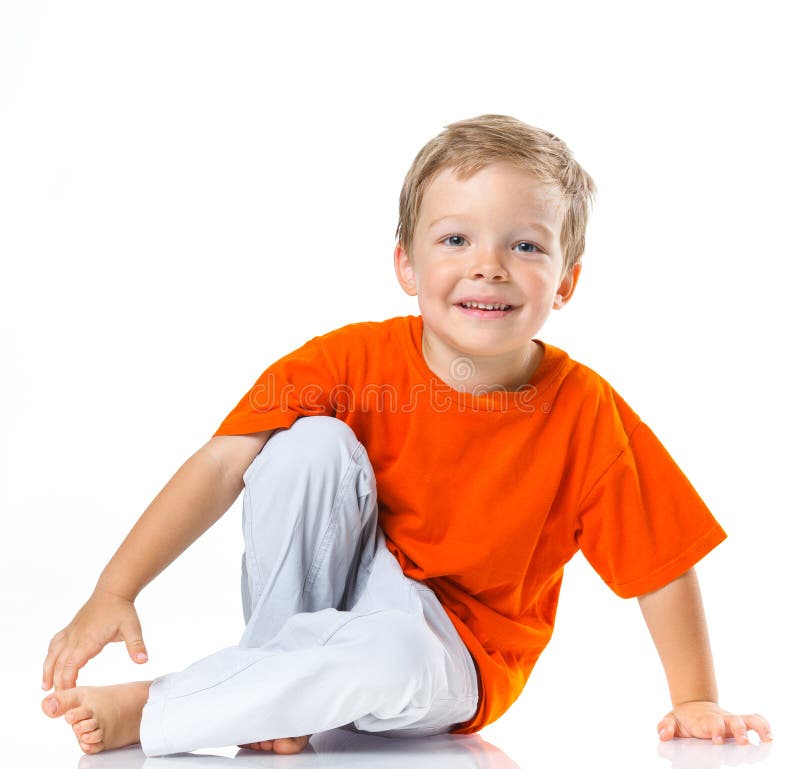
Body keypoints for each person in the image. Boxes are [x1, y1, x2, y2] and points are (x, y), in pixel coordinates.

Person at [41, 114, 773, 756]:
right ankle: (277, 695)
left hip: (455, 651)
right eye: (456, 237)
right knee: (306, 447)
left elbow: (662, 564)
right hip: (335, 593)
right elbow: (222, 463)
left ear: (567, 281)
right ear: (406, 265)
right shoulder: (347, 360)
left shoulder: (585, 412)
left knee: (390, 647)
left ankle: (163, 707)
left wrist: (694, 697)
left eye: (525, 246)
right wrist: (117, 585)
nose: (488, 263)